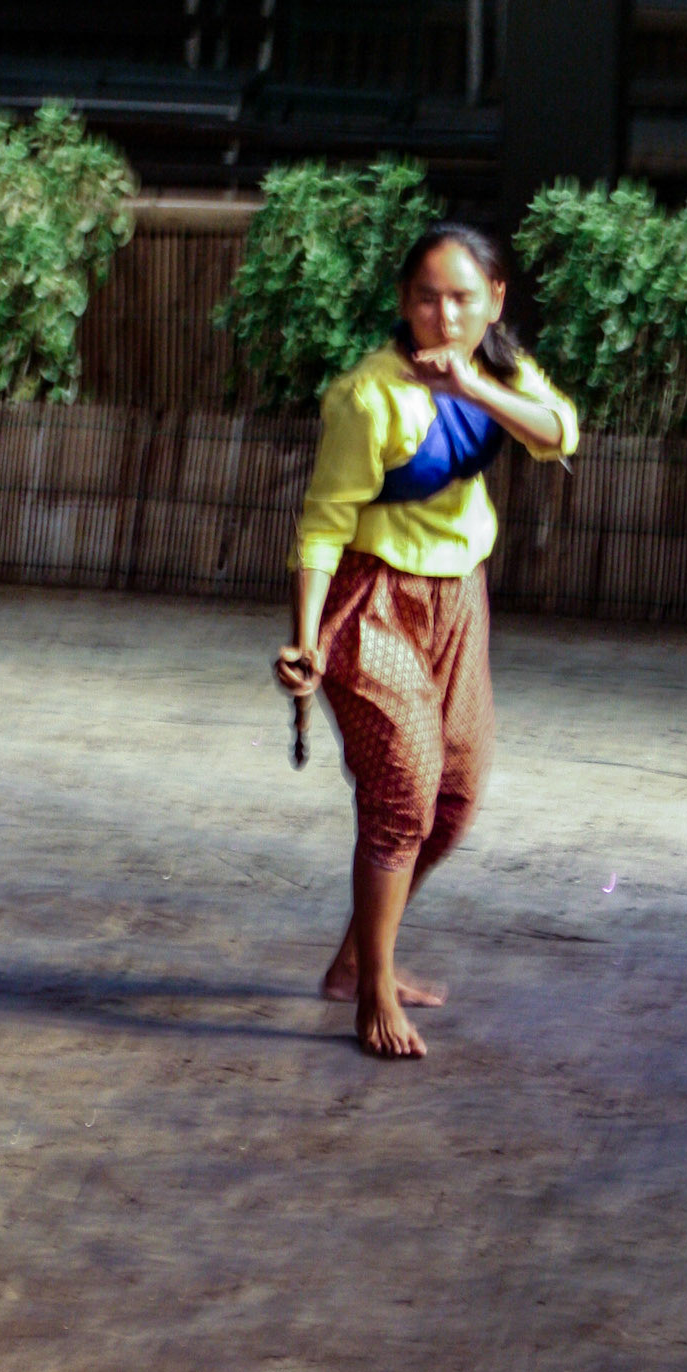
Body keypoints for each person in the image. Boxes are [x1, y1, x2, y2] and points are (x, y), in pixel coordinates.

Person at [276, 223, 578, 1062]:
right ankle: (373, 988)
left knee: (455, 796)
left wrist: (472, 386)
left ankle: (352, 960)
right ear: (402, 303)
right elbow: (322, 523)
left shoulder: (500, 370)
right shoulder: (366, 397)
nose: (443, 316)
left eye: (461, 298)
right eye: (424, 298)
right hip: (369, 601)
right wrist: (303, 641)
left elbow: (557, 432)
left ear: (494, 301)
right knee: (402, 795)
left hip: (459, 597)